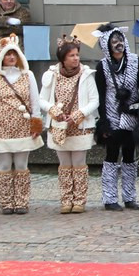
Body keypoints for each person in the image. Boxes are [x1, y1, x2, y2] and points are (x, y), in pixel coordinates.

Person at [0, 34, 42, 214]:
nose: (11, 58)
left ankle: (22, 201)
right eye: (7, 54)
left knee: (22, 166)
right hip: (1, 128)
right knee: (5, 166)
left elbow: (35, 101)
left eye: (14, 54)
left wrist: (36, 122)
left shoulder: (28, 75)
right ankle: (6, 202)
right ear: (1, 56)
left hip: (22, 127)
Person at [40, 35, 99, 214]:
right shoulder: (52, 75)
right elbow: (42, 99)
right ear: (63, 58)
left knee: (79, 163)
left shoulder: (86, 74)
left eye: (77, 55)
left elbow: (94, 100)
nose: (76, 58)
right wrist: (54, 111)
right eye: (72, 55)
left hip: (79, 126)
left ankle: (79, 200)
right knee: (64, 164)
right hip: (59, 126)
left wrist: (79, 114)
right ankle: (66, 200)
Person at [93, 24, 139, 211]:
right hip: (112, 116)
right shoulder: (102, 66)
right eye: (114, 41)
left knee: (130, 156)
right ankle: (109, 198)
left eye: (121, 39)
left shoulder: (134, 61)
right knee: (112, 155)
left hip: (130, 115)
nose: (119, 44)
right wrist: (104, 121)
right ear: (106, 44)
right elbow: (100, 95)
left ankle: (130, 197)